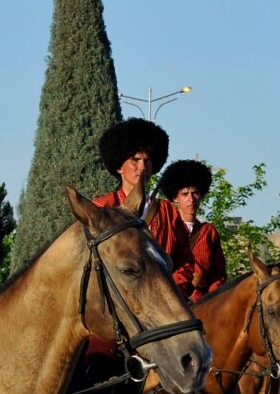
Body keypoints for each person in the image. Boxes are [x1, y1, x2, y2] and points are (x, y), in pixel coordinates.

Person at [94, 118, 194, 298]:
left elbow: (184, 260)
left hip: (165, 303)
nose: (142, 167)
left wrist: (172, 289)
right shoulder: (102, 208)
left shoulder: (168, 211)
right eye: (135, 160)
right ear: (119, 167)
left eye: (147, 161)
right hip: (119, 303)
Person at [158, 159, 227, 303]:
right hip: (169, 301)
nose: (191, 199)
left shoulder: (209, 232)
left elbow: (218, 275)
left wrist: (211, 300)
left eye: (195, 193)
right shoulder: (165, 229)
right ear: (175, 198)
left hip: (202, 305)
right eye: (185, 194)